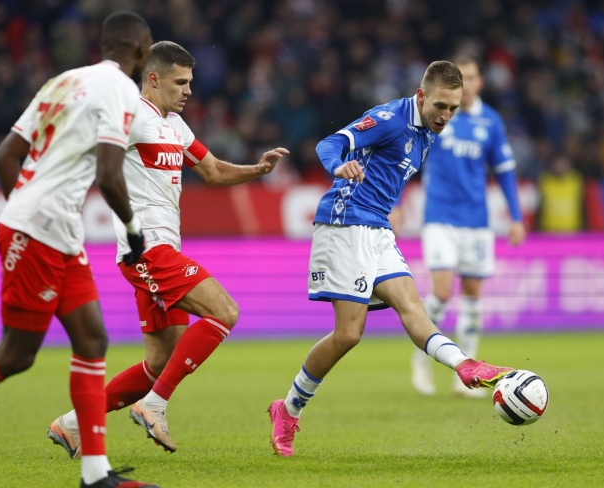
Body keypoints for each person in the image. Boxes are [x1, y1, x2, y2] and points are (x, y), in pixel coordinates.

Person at [0, 12, 160, 488]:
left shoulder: (62, 82)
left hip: (57, 231)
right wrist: (132, 226)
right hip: (39, 232)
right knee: (15, 354)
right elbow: (109, 175)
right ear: (141, 50)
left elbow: (5, 156)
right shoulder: (123, 90)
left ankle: (95, 474)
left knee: (92, 340)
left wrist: (23, 208)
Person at [46, 41, 289, 457]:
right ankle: (154, 406)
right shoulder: (131, 118)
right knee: (224, 312)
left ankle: (72, 425)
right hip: (146, 251)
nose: (188, 90)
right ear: (154, 79)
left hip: (162, 251)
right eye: (180, 82)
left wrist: (257, 169)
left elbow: (213, 171)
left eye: (190, 81)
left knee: (160, 361)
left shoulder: (175, 125)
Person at [267, 60, 516, 457]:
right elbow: (329, 144)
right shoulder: (389, 119)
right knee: (348, 334)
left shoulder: (429, 131)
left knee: (413, 307)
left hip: (378, 228)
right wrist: (339, 165)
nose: (446, 115)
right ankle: (288, 408)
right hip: (345, 223)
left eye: (452, 108)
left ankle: (465, 365)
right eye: (440, 106)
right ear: (421, 95)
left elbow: (388, 173)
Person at [409, 55, 526, 398]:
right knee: (443, 292)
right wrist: (398, 205)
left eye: (473, 77)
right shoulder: (439, 115)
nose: (468, 84)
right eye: (463, 78)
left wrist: (516, 216)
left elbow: (504, 171)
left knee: (473, 296)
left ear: (480, 82)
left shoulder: (491, 121)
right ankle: (421, 357)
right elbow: (410, 157)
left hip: (476, 221)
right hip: (439, 217)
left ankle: (472, 374)